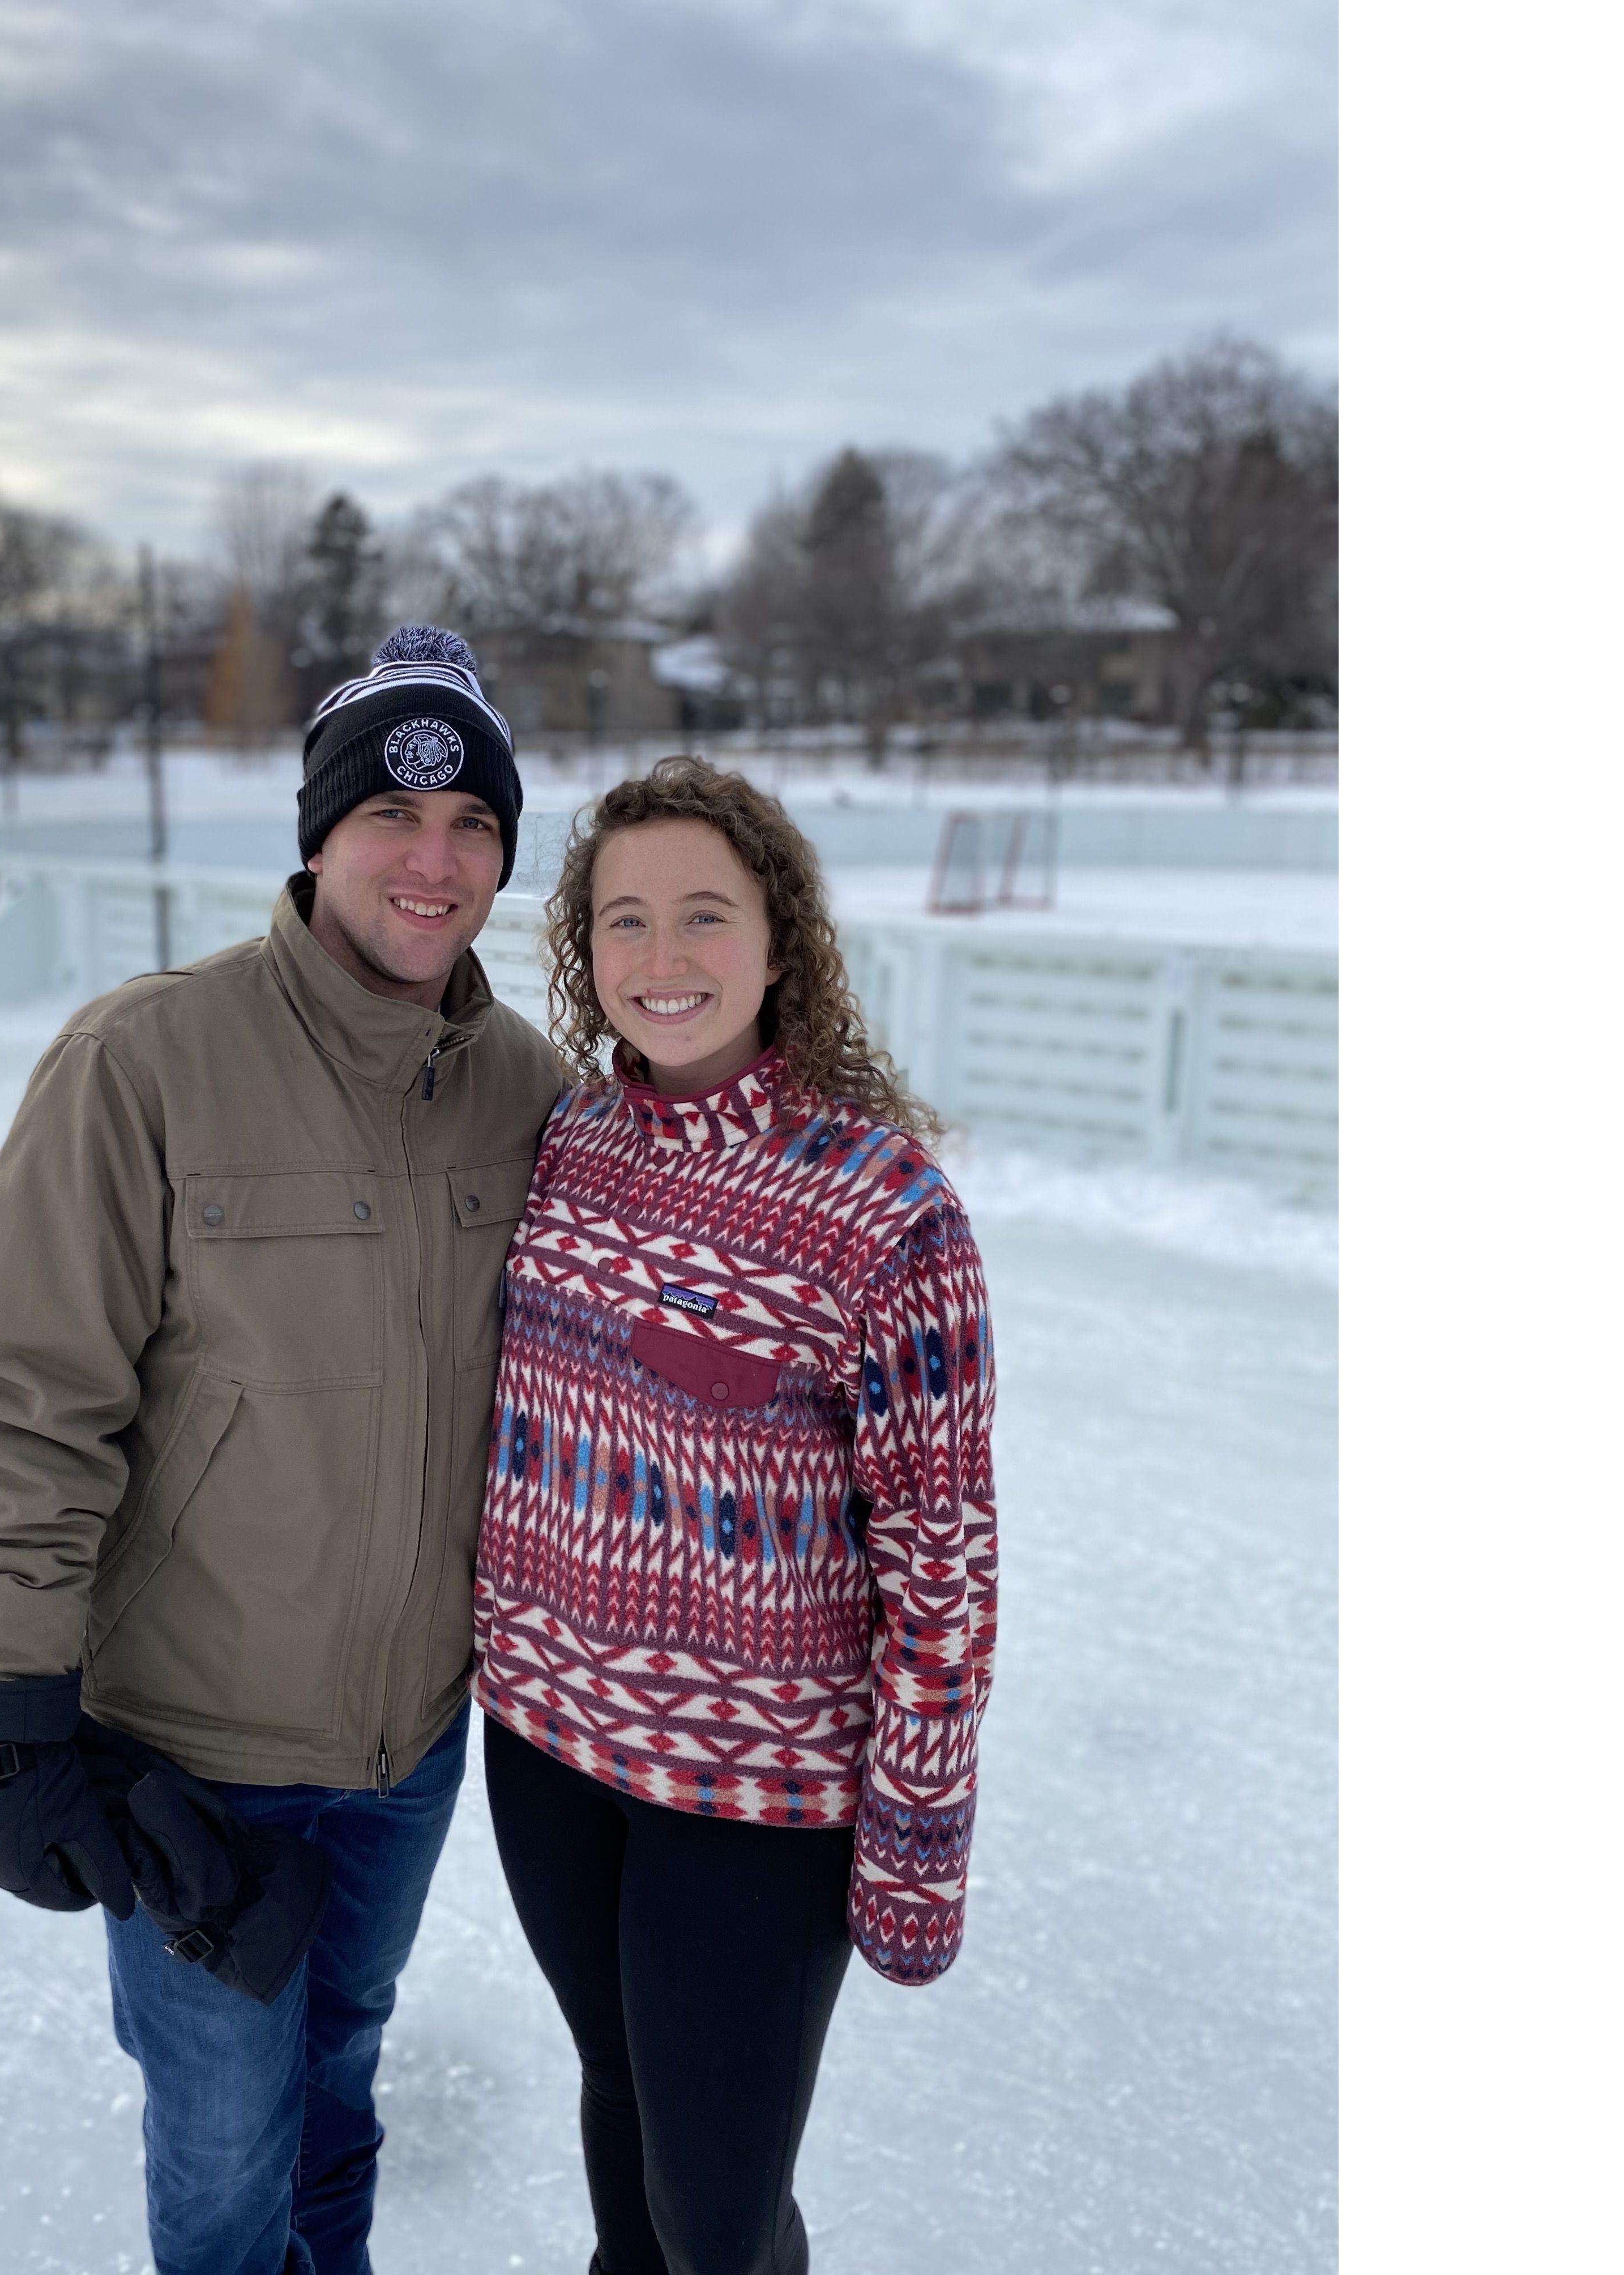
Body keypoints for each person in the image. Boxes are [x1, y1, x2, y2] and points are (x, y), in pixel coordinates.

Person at [0, 625, 563, 2275]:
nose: (435, 862)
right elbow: (30, 1391)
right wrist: (7, 1705)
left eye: (474, 826)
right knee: (221, 2164)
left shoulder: (525, 1089)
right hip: (196, 1747)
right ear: (317, 834)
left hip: (410, 1748)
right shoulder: (145, 1058)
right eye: (393, 819)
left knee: (341, 2094)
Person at [473, 755, 999, 2275]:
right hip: (549, 1751)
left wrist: (914, 1850)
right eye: (623, 923)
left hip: (755, 1807)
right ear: (584, 955)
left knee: (715, 2215)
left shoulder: (883, 1211)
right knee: (617, 2099)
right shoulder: (569, 1151)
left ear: (783, 941)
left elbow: (943, 1574)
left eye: (705, 916)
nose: (662, 960)